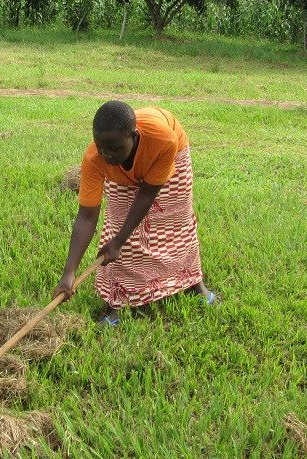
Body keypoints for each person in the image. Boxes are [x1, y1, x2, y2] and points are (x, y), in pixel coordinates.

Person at [53, 101, 214, 325]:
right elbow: (87, 216)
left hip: (169, 154)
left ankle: (195, 285)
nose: (106, 155)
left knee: (177, 221)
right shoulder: (95, 157)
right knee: (117, 226)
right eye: (101, 147)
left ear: (134, 137)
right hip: (127, 170)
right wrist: (69, 272)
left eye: (114, 149)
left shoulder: (164, 140)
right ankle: (116, 305)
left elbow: (147, 194)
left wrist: (120, 240)